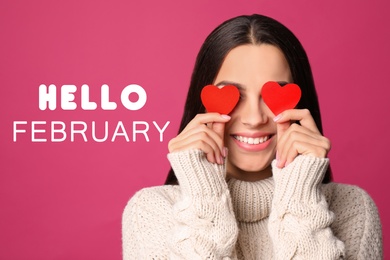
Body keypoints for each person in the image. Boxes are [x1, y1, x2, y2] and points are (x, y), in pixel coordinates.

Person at [122, 14, 383, 259]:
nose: (255, 118)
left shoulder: (352, 207)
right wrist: (204, 199)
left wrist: (301, 200)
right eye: (234, 95)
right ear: (202, 106)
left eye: (274, 95)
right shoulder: (151, 212)